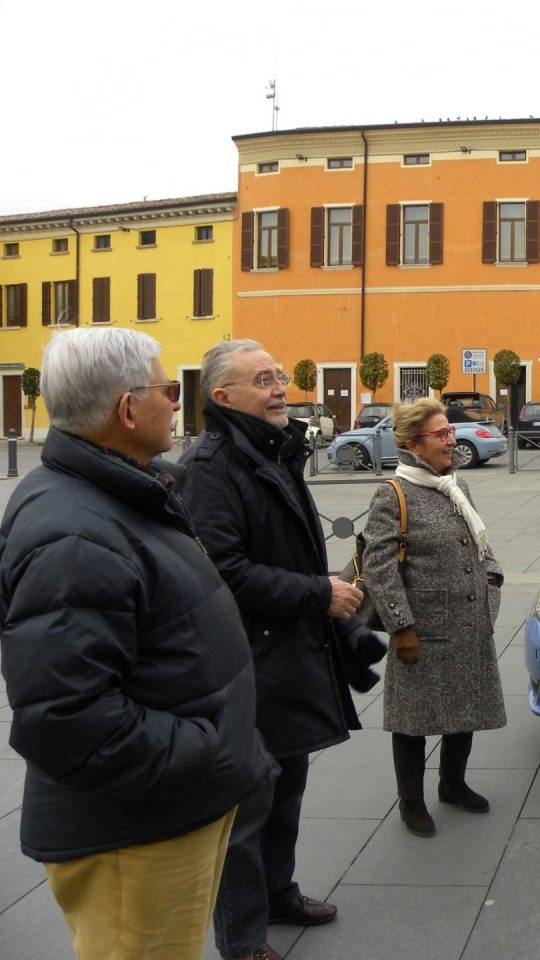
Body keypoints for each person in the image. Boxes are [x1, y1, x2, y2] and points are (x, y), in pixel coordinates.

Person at [0, 328, 275, 960]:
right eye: (170, 390)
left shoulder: (120, 492)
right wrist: (202, 749)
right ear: (128, 409)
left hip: (166, 810)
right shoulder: (76, 534)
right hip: (138, 828)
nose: (179, 403)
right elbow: (68, 718)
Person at [178, 340, 367, 960]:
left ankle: (279, 893)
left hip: (287, 656)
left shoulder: (271, 449)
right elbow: (224, 571)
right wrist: (319, 594)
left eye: (280, 376)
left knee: (288, 783)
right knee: (247, 806)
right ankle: (243, 939)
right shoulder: (211, 464)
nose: (280, 388)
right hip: (245, 662)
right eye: (263, 380)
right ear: (222, 397)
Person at [362, 397, 507, 837]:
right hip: (422, 629)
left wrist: (493, 581)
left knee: (463, 707)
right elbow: (379, 567)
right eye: (441, 434)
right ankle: (411, 801)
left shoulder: (455, 486)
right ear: (412, 444)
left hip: (468, 622)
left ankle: (452, 783)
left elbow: (479, 543)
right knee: (413, 720)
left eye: (449, 431)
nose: (451, 439)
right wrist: (401, 628)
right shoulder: (393, 494)